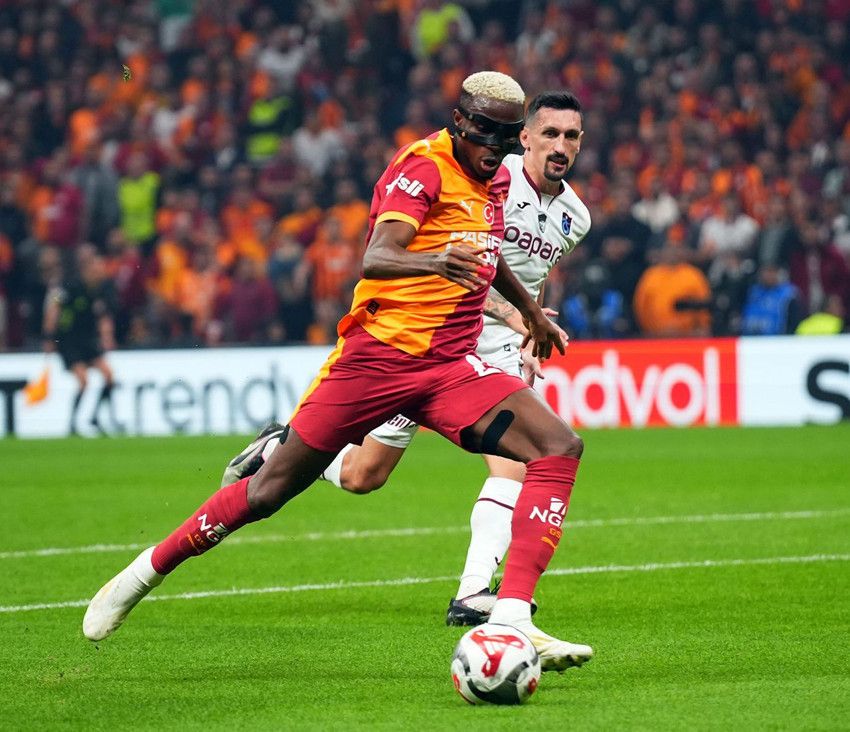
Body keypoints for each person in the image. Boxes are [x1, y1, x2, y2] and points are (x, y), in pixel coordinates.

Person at [83, 72, 593, 672]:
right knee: (270, 492)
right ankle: (144, 572)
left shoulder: (498, 181)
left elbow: (488, 256)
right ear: (459, 121)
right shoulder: (424, 166)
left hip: (452, 365)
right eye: (483, 129)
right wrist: (436, 260)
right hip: (377, 361)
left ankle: (510, 617)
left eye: (503, 135)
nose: (493, 143)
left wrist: (530, 313)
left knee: (558, 447)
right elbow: (376, 255)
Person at [221, 91, 592, 629]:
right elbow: (452, 259)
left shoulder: (577, 217)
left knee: (521, 462)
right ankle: (283, 448)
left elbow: (530, 277)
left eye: (571, 136)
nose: (560, 146)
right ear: (525, 137)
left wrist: (530, 333)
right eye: (550, 133)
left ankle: (473, 592)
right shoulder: (491, 175)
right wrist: (511, 313)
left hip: (497, 348)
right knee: (363, 475)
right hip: (427, 335)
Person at [42, 246, 121, 435]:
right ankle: (72, 423)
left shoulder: (99, 290)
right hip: (69, 341)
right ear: (88, 269)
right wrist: (49, 337)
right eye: (98, 268)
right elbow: (54, 309)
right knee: (84, 380)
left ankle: (95, 417)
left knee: (109, 375)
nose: (102, 272)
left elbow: (103, 316)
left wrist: (107, 337)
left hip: (87, 340)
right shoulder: (70, 286)